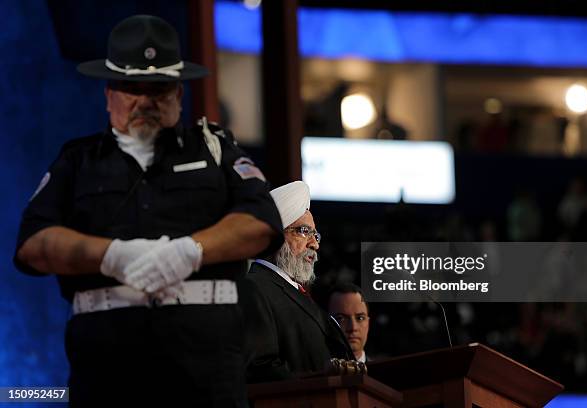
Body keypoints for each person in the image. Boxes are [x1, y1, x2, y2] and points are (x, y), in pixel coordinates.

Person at [13, 15, 282, 406]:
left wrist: (191, 250)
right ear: (108, 95)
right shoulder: (78, 161)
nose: (145, 101)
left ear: (178, 93)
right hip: (106, 368)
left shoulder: (214, 149)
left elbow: (261, 221)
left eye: (157, 89)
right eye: (130, 88)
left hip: (206, 370)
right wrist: (111, 256)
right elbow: (34, 243)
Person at [240, 181, 354, 383]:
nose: (315, 244)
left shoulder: (297, 292)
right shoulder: (254, 288)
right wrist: (320, 382)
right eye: (304, 231)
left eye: (315, 234)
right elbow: (260, 368)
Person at [328, 283, 370, 363]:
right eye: (341, 318)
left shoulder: (382, 374)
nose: (353, 328)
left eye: (360, 318)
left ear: (368, 323)